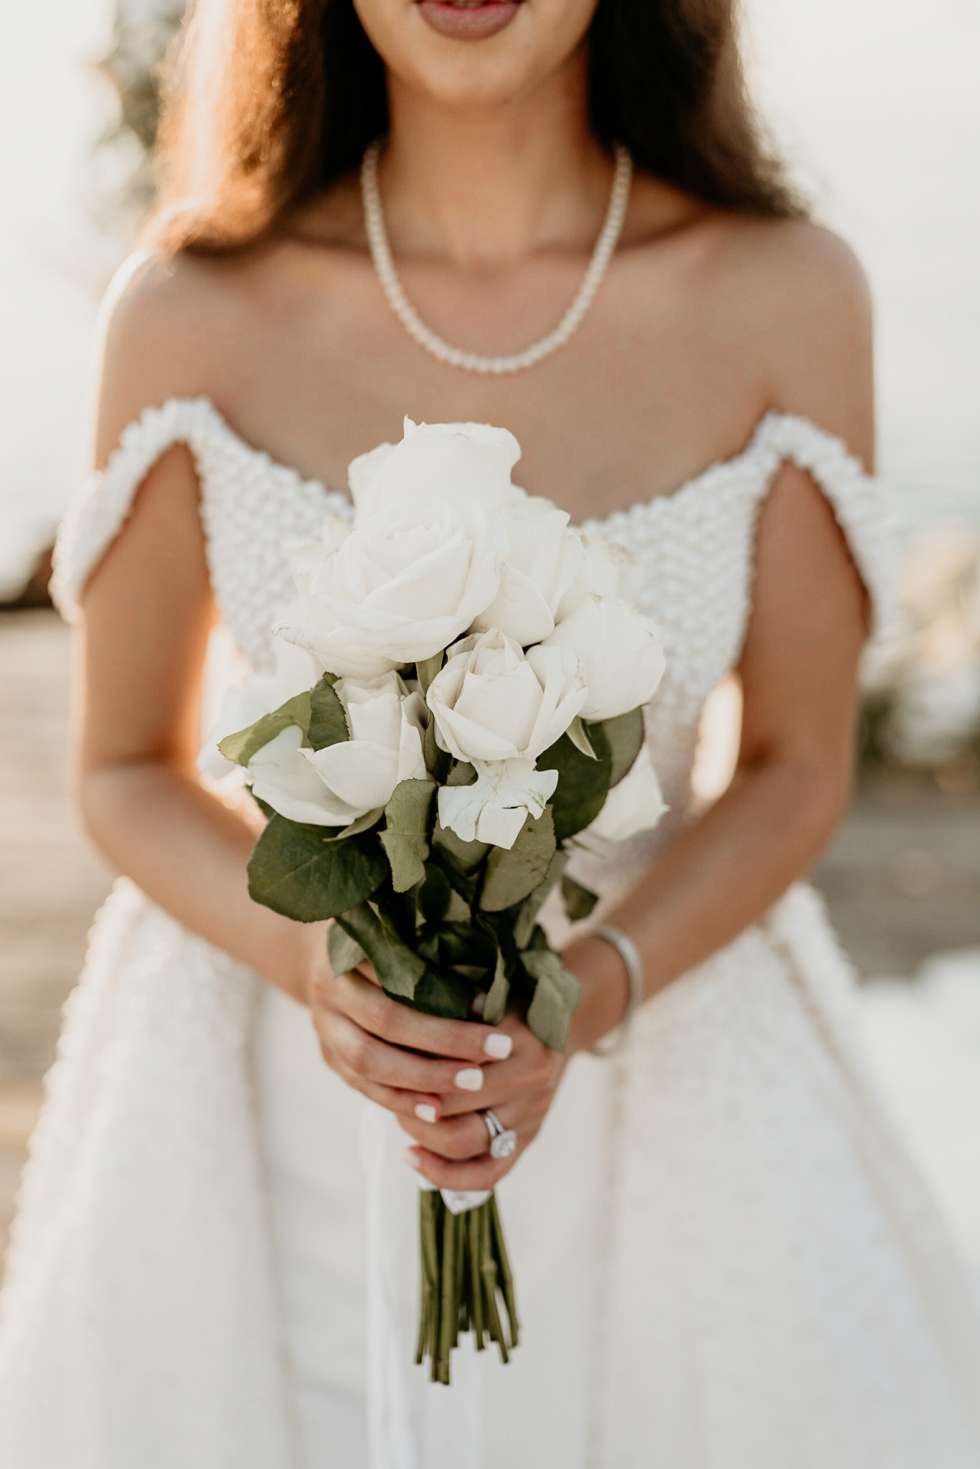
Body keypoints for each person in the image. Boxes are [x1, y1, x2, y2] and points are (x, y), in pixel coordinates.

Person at [1, 2, 978, 1465]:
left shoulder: (788, 293)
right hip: (270, 1113)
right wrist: (321, 969)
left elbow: (796, 767)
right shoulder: (188, 311)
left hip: (672, 1065)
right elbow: (122, 770)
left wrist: (588, 982)